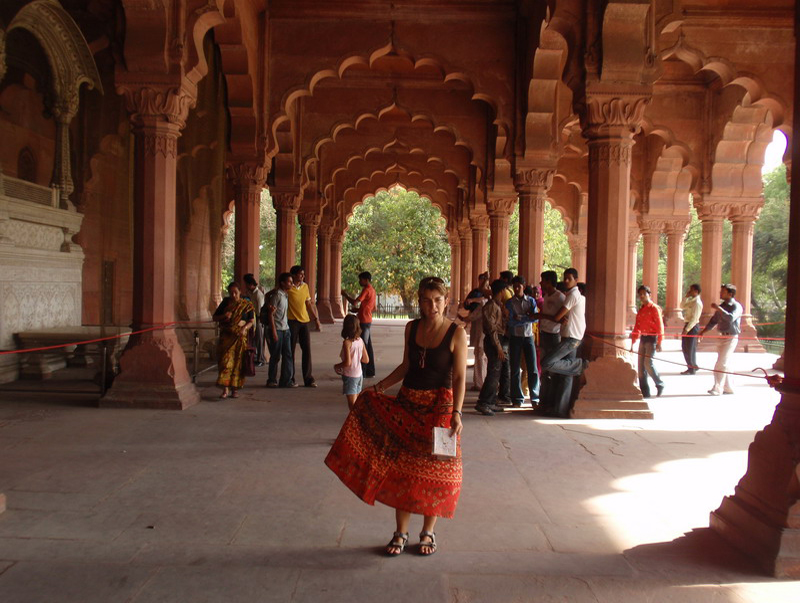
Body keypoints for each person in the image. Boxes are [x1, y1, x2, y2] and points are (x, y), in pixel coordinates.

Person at [325, 276, 467, 557]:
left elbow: (461, 376)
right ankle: (400, 532)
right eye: (427, 300)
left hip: (440, 410)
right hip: (408, 404)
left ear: (446, 300)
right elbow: (406, 366)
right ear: (420, 301)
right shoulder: (412, 328)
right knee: (401, 469)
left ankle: (428, 531)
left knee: (435, 473)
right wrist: (378, 387)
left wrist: (458, 413)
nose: (433, 306)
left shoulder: (456, 333)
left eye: (438, 300)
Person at [539, 268, 587, 418]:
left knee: (547, 363)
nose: (566, 281)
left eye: (569, 278)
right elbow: (560, 317)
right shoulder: (572, 295)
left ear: (576, 280)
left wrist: (539, 315)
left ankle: (581, 364)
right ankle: (559, 409)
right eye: (565, 278)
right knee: (566, 374)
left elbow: (558, 316)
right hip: (568, 336)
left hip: (572, 337)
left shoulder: (572, 295)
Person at [475, 279, 511, 416]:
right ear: (502, 291)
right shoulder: (491, 306)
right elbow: (492, 330)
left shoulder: (498, 305)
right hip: (493, 341)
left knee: (496, 373)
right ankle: (483, 402)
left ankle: (490, 401)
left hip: (498, 340)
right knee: (493, 373)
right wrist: (498, 347)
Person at [212, 282, 255, 399]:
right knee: (226, 363)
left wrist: (244, 328)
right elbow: (214, 317)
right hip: (226, 338)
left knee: (238, 364)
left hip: (240, 338)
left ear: (240, 292)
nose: (233, 295)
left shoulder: (247, 304)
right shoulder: (226, 303)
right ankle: (225, 389)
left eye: (235, 292)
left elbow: (251, 321)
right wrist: (224, 316)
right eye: (231, 293)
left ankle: (235, 389)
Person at [699, 283, 742, 395]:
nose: (720, 293)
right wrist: (703, 332)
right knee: (725, 362)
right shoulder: (722, 306)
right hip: (721, 336)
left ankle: (717, 388)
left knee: (721, 363)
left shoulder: (736, 306)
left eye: (723, 291)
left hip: (731, 337)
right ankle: (728, 387)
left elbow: (730, 318)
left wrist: (719, 309)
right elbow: (714, 321)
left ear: (730, 294)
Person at [531, 271, 565, 415]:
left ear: (550, 281)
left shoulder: (560, 297)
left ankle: (551, 403)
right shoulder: (546, 296)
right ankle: (544, 401)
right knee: (544, 370)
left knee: (552, 369)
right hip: (544, 334)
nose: (540, 283)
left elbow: (561, 319)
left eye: (543, 281)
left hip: (554, 336)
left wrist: (540, 315)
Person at [506, 275, 539, 407]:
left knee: (533, 368)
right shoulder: (509, 302)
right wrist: (525, 317)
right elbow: (510, 322)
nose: (516, 288)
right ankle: (517, 398)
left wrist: (519, 317)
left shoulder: (530, 301)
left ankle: (535, 397)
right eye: (514, 286)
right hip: (515, 337)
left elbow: (535, 318)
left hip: (529, 337)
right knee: (514, 368)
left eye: (518, 286)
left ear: (523, 287)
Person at [287, 265, 322, 387]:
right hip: (291, 321)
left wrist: (316, 319)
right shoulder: (288, 288)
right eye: (300, 274)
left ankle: (308, 379)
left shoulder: (305, 286)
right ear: (293, 275)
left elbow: (308, 304)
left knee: (306, 349)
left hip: (304, 321)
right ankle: (290, 378)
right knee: (290, 351)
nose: (302, 276)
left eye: (303, 274)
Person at [630, 285, 665, 399]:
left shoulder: (654, 308)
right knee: (640, 367)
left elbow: (660, 325)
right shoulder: (641, 310)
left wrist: (660, 341)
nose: (642, 296)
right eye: (640, 294)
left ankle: (659, 384)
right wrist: (633, 341)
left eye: (644, 294)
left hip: (651, 338)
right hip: (643, 338)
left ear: (649, 294)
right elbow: (637, 326)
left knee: (648, 363)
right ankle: (645, 392)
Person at [341, 271, 377, 378]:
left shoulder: (366, 290)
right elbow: (373, 307)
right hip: (368, 319)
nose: (359, 281)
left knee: (362, 346)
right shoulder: (373, 290)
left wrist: (345, 295)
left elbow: (355, 302)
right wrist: (360, 310)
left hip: (363, 321)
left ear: (366, 280)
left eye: (360, 279)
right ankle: (370, 371)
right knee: (368, 346)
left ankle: (363, 372)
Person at [262, 272, 294, 388]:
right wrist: (274, 331)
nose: (291, 284)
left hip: (286, 329)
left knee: (288, 355)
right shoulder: (277, 296)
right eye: (289, 282)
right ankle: (271, 379)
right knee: (275, 356)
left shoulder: (285, 294)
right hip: (278, 329)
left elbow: (266, 295)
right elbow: (271, 315)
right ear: (282, 283)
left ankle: (286, 380)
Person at [334, 314, 369, 411]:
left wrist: (336, 366)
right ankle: (359, 421)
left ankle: (357, 422)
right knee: (357, 402)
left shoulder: (347, 343)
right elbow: (366, 359)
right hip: (359, 375)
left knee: (352, 406)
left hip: (350, 376)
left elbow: (347, 363)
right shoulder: (360, 341)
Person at [243, 273, 266, 366]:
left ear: (250, 284)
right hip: (253, 318)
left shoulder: (258, 294)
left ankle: (261, 359)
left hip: (259, 319)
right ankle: (255, 357)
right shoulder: (250, 293)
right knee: (254, 339)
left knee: (259, 339)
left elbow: (260, 309)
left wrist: (260, 320)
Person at [680, 283, 703, 375]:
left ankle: (691, 368)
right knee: (685, 347)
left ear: (696, 291)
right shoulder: (692, 301)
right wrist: (686, 297)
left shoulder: (697, 303)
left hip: (692, 327)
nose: (689, 291)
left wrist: (687, 329)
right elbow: (682, 306)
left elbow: (694, 318)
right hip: (688, 325)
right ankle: (692, 365)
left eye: (691, 290)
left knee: (690, 348)